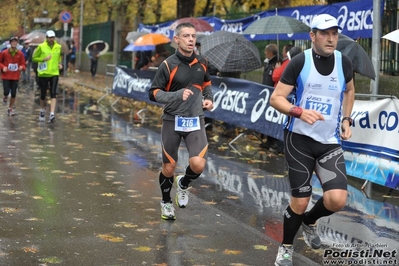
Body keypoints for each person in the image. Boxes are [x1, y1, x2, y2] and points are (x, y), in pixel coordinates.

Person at [269, 14, 355, 266]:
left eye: (334, 33)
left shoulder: (344, 61)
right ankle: (285, 248)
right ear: (313, 35)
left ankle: (310, 220)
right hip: (300, 140)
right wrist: (299, 111)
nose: (331, 39)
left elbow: (349, 90)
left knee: (337, 200)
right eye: (325, 33)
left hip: (329, 141)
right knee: (300, 200)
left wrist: (346, 119)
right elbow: (276, 98)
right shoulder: (299, 61)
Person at [148, 22, 213, 220]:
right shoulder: (168, 65)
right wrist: (175, 95)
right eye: (186, 36)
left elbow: (207, 83)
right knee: (169, 167)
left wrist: (209, 98)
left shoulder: (202, 62)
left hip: (195, 120)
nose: (191, 39)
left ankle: (183, 183)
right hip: (172, 120)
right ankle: (166, 202)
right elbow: (153, 93)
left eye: (193, 36)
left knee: (198, 164)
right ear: (177, 40)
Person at [32, 30, 63, 123]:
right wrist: (43, 59)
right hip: (43, 73)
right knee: (43, 93)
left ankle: (52, 114)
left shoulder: (58, 47)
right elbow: (34, 58)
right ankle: (42, 110)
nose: (51, 39)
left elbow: (58, 58)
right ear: (46, 38)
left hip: (54, 73)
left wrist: (60, 64)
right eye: (49, 37)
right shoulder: (41, 47)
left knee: (53, 93)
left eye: (53, 37)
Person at [260, 43, 282, 152]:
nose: (264, 53)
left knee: (272, 117)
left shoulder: (277, 62)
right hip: (265, 93)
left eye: (266, 51)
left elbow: (275, 78)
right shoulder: (268, 62)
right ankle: (267, 139)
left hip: (272, 93)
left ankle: (272, 140)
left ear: (270, 52)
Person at [0, 36, 25, 116]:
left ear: (17, 43)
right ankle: (5, 97)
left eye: (15, 42)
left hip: (15, 76)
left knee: (13, 93)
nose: (14, 43)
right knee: (6, 91)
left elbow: (23, 64)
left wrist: (22, 67)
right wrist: (3, 67)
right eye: (13, 42)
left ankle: (10, 108)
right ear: (10, 43)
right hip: (6, 76)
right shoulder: (4, 53)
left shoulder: (20, 53)